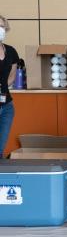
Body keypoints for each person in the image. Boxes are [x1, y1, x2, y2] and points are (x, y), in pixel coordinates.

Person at [0, 15, 18, 158]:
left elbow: (12, 75)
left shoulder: (11, 51)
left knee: (0, 149)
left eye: (2, 26)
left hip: (7, 106)